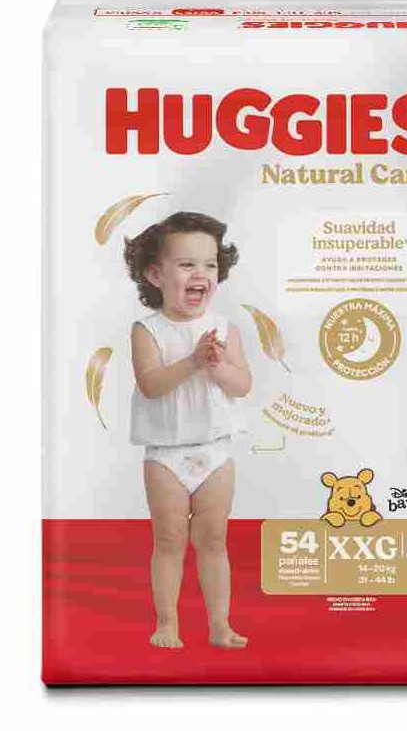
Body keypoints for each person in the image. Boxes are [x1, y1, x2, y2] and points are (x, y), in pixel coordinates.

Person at [124, 211, 251, 649]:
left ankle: (220, 624)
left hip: (216, 451)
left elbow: (242, 385)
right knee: (169, 538)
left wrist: (217, 367)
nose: (201, 273)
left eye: (210, 264)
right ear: (155, 275)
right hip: (166, 454)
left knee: (214, 538)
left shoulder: (225, 328)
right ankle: (167, 623)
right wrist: (194, 361)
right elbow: (151, 384)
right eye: (186, 264)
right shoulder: (147, 330)